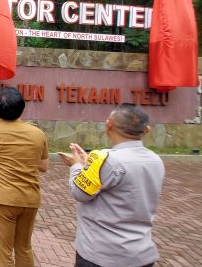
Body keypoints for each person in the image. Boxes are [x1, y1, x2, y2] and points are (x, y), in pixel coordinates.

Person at [58, 104, 165, 267]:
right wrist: (90, 167)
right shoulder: (155, 160)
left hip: (102, 255)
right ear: (147, 130)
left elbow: (79, 193)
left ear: (109, 124)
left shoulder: (104, 159)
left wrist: (77, 165)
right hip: (142, 254)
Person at [0, 87, 49, 267]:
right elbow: (44, 166)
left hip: (1, 200)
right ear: (22, 108)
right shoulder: (37, 133)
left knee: (3, 251)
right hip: (30, 199)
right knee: (24, 248)